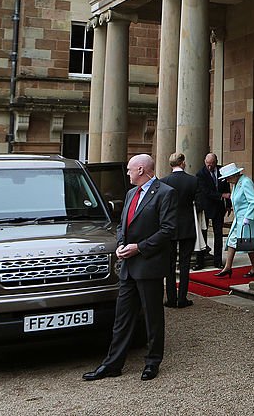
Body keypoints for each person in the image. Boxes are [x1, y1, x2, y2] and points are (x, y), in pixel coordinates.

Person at [83, 154, 175, 382]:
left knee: (152, 318)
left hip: (149, 266)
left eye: (130, 169)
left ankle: (152, 362)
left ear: (142, 169)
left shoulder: (165, 193)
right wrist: (121, 245)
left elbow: (168, 230)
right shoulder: (131, 193)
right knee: (122, 318)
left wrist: (139, 248)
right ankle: (113, 364)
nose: (127, 173)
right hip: (128, 266)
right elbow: (122, 224)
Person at [158, 152, 197, 308]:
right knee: (185, 264)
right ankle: (182, 298)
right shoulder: (193, 180)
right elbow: (198, 203)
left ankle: (171, 298)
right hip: (187, 225)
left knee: (170, 264)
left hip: (169, 226)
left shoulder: (164, 181)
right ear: (182, 163)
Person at [215, 163, 254, 278]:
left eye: (227, 178)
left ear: (234, 175)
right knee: (234, 240)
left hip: (246, 218)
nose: (227, 180)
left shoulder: (246, 182)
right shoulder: (236, 183)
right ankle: (228, 267)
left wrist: (248, 217)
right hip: (239, 218)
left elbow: (253, 201)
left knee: (246, 242)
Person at [194, 152, 226, 269]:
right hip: (205, 207)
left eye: (212, 164)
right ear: (204, 162)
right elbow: (205, 191)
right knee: (202, 235)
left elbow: (226, 187)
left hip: (218, 208)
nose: (209, 166)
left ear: (216, 162)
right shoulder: (200, 174)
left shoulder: (222, 170)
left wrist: (228, 204)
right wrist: (222, 195)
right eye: (207, 164)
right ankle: (200, 262)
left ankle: (218, 261)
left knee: (218, 235)